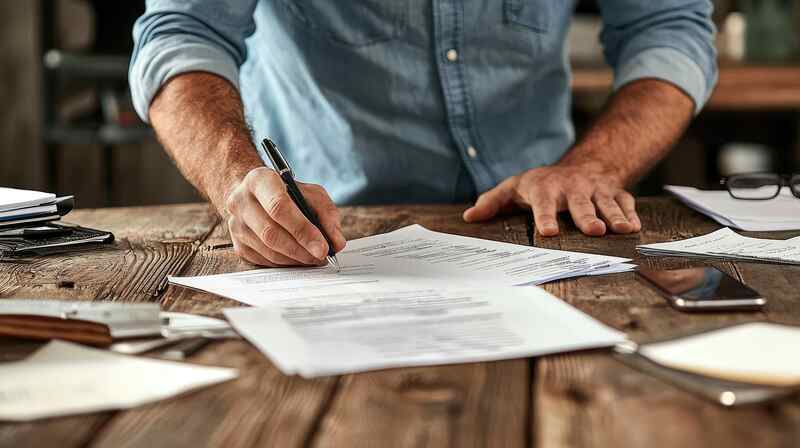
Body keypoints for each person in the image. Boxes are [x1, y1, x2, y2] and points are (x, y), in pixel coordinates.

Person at [130, 1, 717, 266]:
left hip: (549, 227)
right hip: (328, 237)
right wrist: (235, 174)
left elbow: (668, 27)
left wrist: (597, 166)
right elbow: (182, 32)